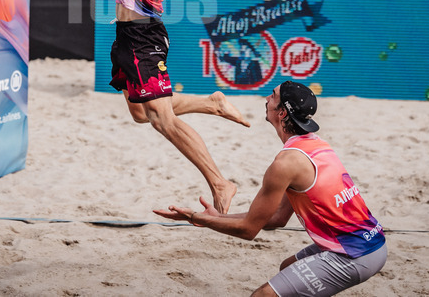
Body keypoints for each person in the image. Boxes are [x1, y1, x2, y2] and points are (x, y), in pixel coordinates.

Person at [28, 0, 249, 215]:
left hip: (143, 36)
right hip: (132, 34)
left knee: (161, 119)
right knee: (139, 114)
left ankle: (220, 182)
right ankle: (212, 104)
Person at [154, 81, 386, 297]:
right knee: (288, 267)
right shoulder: (316, 145)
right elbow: (276, 218)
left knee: (262, 296)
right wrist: (217, 217)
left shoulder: (285, 164)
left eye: (273, 96)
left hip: (354, 255)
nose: (266, 98)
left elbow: (248, 230)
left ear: (282, 112)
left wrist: (195, 218)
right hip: (373, 243)